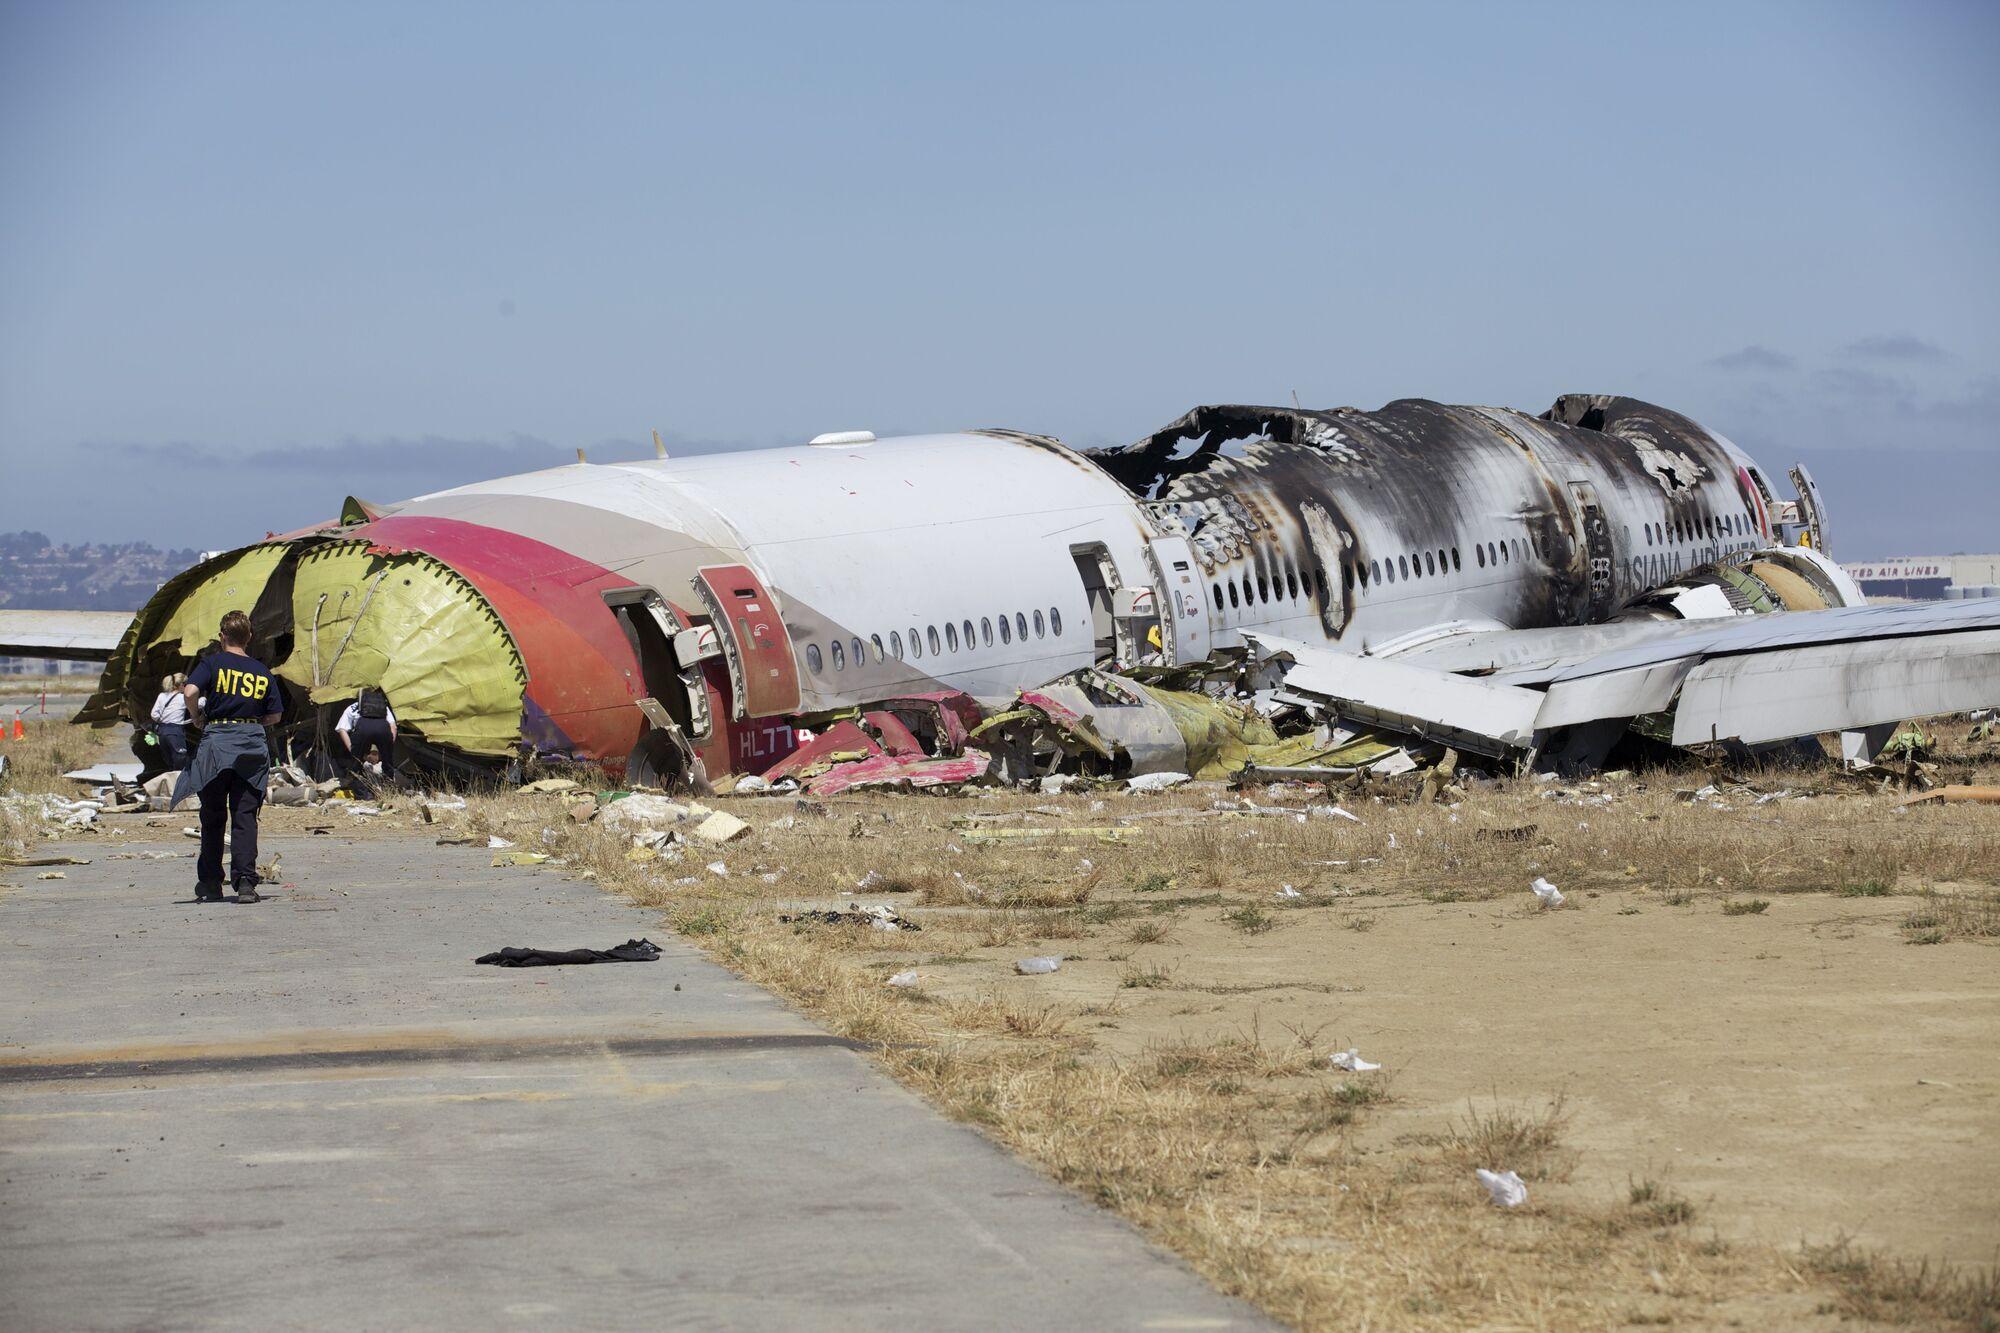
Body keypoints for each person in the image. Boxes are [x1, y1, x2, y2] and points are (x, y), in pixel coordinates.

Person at [169, 611, 282, 904]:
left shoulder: (212, 663)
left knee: (213, 815)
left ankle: (210, 883)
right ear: (250, 637)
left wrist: (196, 717)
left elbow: (190, 690)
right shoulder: (261, 671)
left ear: (222, 636)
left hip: (217, 745)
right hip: (251, 748)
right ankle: (245, 882)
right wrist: (253, 721)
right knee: (245, 816)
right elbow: (276, 715)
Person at [335, 686, 397, 790]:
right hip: (383, 728)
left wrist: (352, 749)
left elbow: (342, 729)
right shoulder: (382, 706)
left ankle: (363, 795)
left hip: (363, 729)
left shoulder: (351, 708)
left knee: (356, 764)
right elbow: (393, 726)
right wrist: (388, 746)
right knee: (388, 763)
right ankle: (389, 791)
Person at [149, 672, 191, 770]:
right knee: (180, 759)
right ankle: (179, 782)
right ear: (181, 685)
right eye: (186, 685)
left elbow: (154, 714)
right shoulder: (183, 698)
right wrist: (204, 699)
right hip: (175, 731)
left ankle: (171, 779)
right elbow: (199, 704)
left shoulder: (162, 696)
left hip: (162, 731)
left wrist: (163, 719)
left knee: (169, 760)